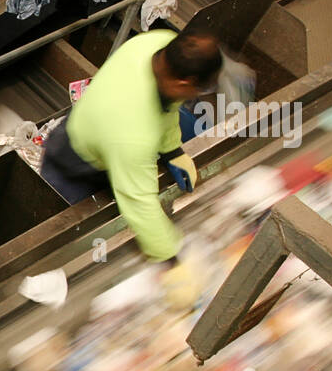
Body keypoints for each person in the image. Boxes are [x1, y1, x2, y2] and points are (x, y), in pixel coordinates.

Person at [39, 27, 222, 309]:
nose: (194, 97)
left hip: (95, 124)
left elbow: (166, 108)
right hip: (73, 163)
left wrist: (172, 149)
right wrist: (172, 261)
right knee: (67, 233)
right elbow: (138, 202)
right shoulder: (133, 131)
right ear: (185, 82)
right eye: (197, 90)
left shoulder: (157, 43)